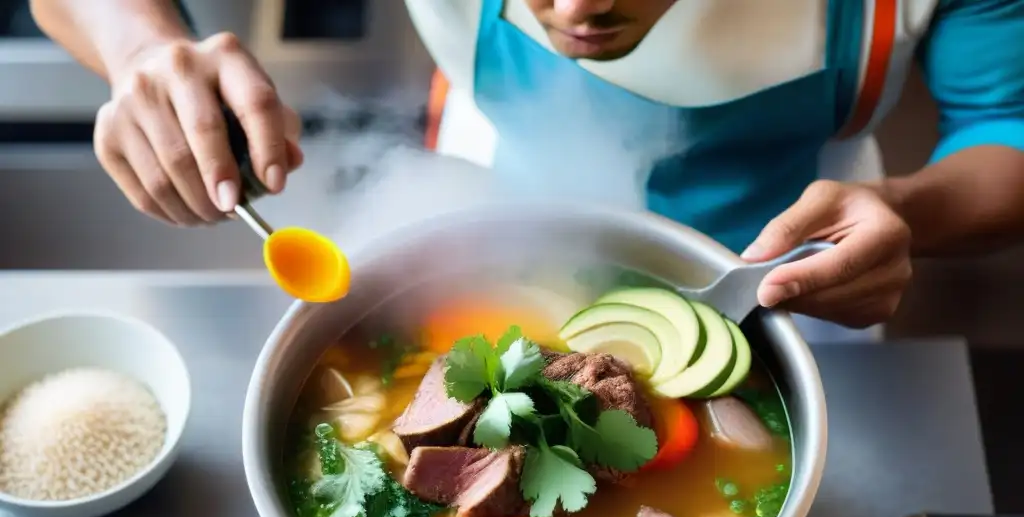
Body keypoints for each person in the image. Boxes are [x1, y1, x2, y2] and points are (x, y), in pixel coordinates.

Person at [30, 0, 1024, 338]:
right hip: (471, 195)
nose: (575, 9)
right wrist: (141, 50)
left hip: (799, 265)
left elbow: (1005, 122)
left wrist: (908, 210)